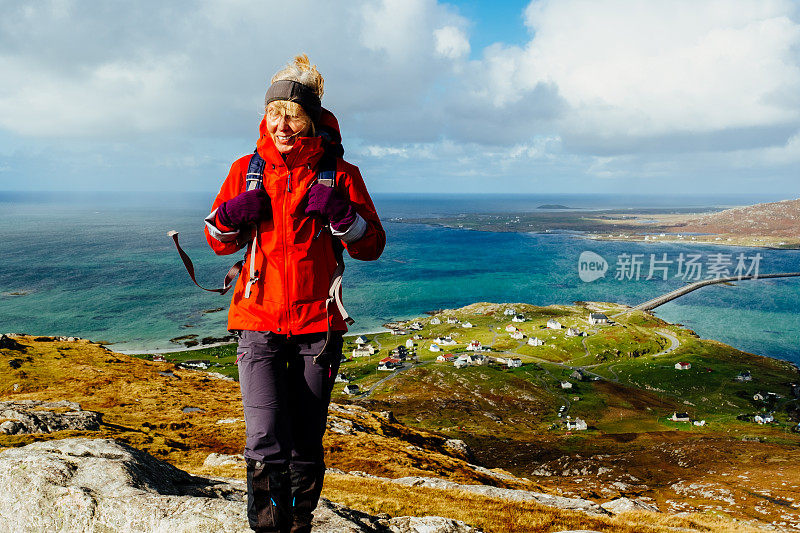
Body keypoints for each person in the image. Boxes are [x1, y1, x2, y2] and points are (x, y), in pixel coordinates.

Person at [204, 54, 385, 533]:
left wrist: (345, 217)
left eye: (292, 114)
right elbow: (218, 242)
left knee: (305, 438)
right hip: (257, 319)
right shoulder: (246, 170)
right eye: (273, 114)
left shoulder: (340, 174)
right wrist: (230, 216)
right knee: (264, 437)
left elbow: (373, 246)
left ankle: (298, 525)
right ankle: (268, 528)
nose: (281, 124)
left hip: (318, 327)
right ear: (264, 116)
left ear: (311, 119)